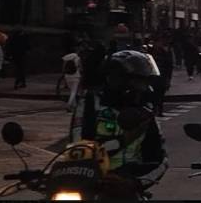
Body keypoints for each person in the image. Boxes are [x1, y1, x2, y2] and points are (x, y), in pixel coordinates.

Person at [70, 50, 167, 198]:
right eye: (139, 81)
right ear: (120, 80)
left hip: (125, 188)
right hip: (88, 181)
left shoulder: (145, 112)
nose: (144, 87)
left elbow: (160, 160)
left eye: (145, 82)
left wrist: (134, 183)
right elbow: (78, 145)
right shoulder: (90, 103)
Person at [150, 37, 174, 116]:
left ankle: (159, 110)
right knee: (154, 94)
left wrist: (168, 78)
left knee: (160, 94)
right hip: (153, 76)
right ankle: (155, 109)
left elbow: (169, 66)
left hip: (161, 76)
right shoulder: (150, 52)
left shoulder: (165, 53)